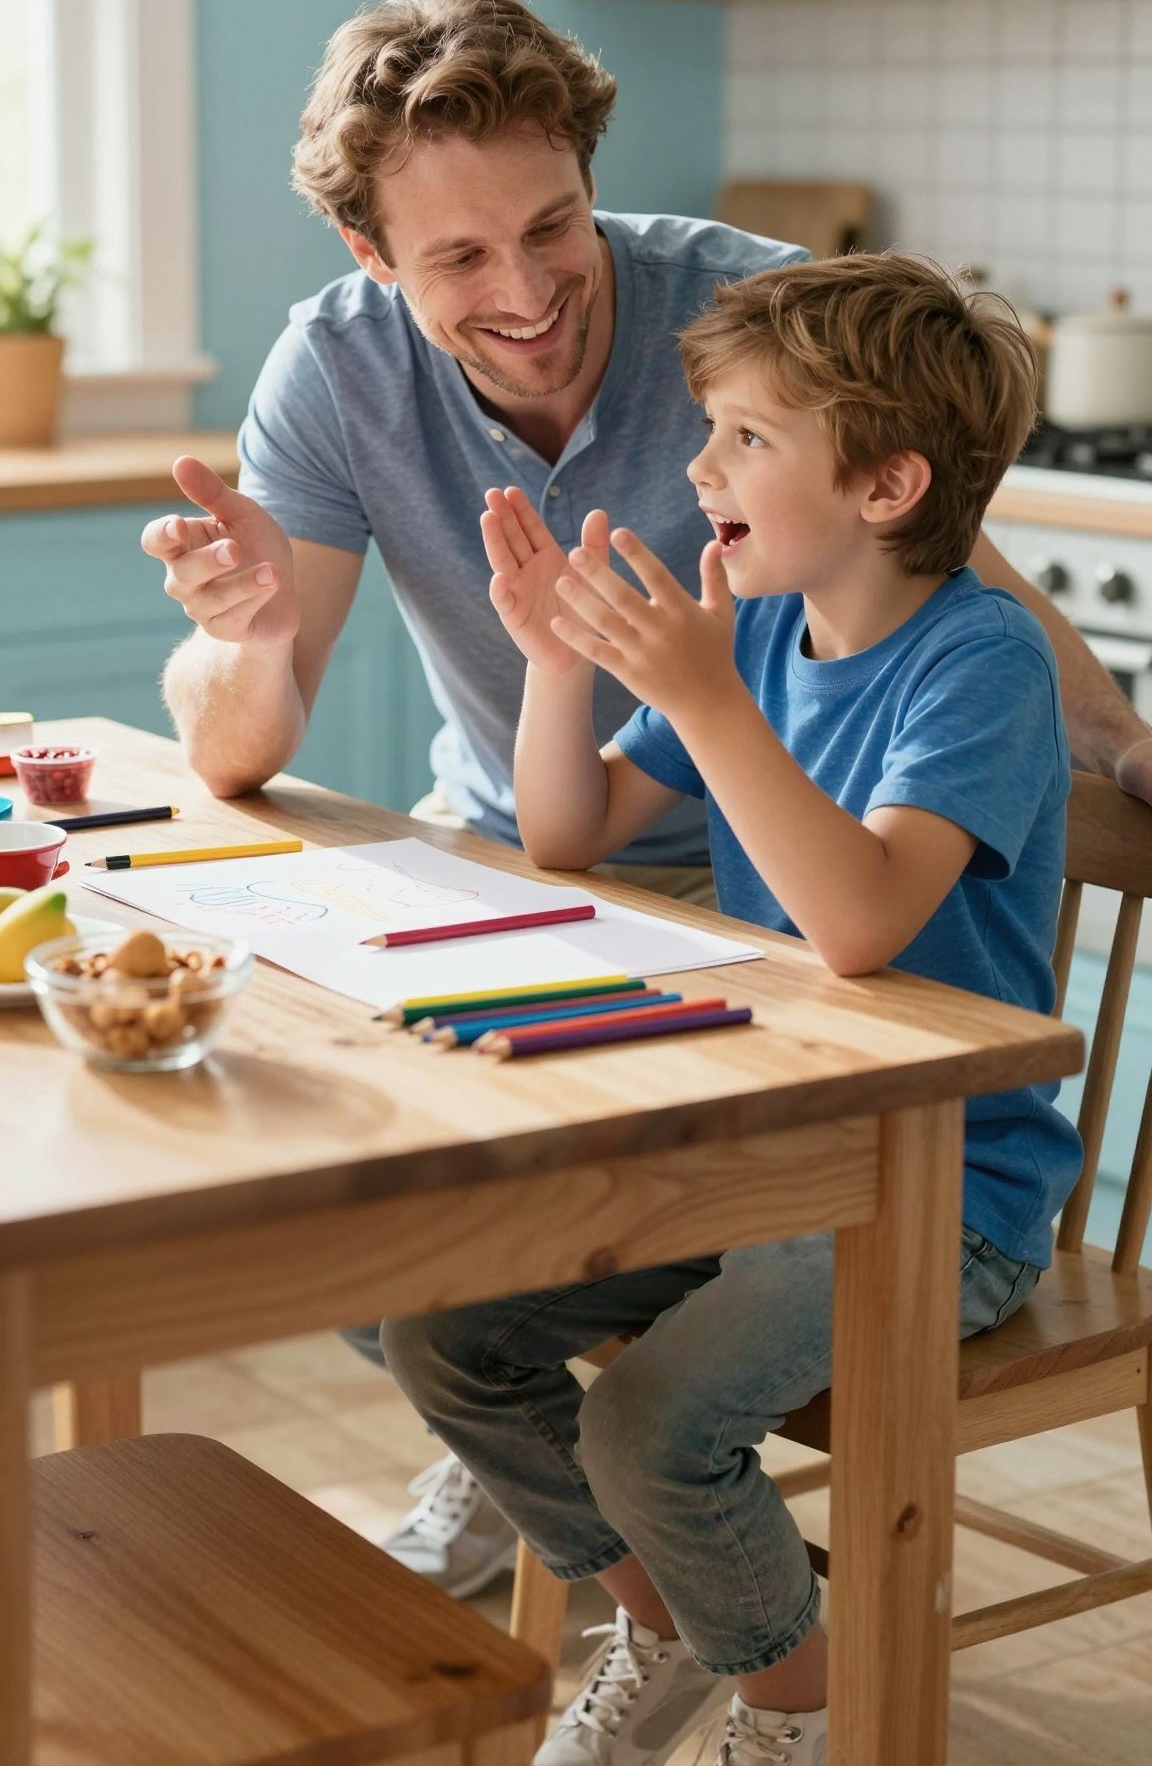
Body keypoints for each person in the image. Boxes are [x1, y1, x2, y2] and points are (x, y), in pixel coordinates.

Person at [141, 0, 1149, 1597]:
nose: (530, 289)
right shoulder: (334, 374)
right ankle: (616, 1528)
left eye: (556, 226)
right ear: (377, 264)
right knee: (341, 1212)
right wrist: (256, 635)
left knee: (502, 1273)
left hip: (778, 927)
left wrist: (1126, 747)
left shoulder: (752, 327)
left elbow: (962, 590)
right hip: (540, 861)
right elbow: (249, 745)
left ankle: (678, 1556)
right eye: (461, 258)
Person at [378, 252, 1085, 1766]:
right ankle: (697, 1624)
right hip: (773, 1141)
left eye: (747, 438)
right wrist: (553, 667)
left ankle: (791, 1699)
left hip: (940, 1190)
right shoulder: (758, 629)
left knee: (648, 1424)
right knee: (438, 1324)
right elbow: (570, 829)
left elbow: (860, 922)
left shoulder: (981, 658)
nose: (700, 464)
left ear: (888, 485)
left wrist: (705, 700)